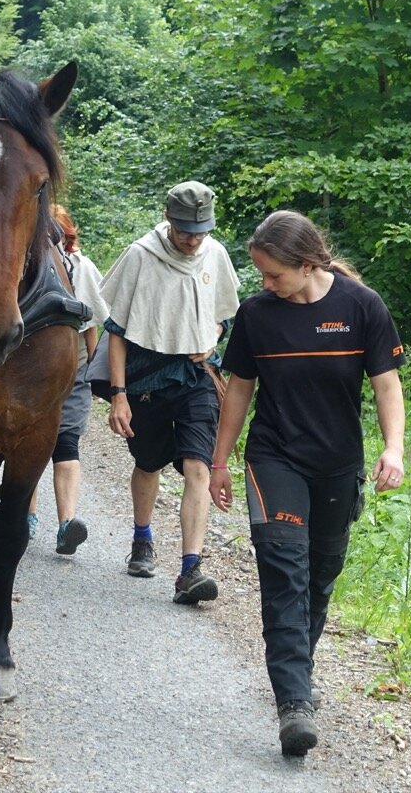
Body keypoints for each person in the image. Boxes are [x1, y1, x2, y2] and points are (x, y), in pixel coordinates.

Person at [208, 210, 406, 757]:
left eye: (274, 275)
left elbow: (387, 387)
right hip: (275, 458)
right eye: (262, 276)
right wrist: (220, 461)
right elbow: (240, 392)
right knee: (283, 568)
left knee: (320, 576)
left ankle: (300, 672)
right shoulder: (257, 315)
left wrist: (394, 447)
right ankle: (293, 702)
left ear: (308, 263)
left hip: (339, 465)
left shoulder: (361, 307)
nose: (265, 285)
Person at [101, 180, 241, 602]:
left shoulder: (214, 253)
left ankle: (190, 569)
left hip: (197, 376)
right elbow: (117, 332)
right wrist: (119, 394)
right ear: (168, 219)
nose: (193, 239)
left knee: (199, 466)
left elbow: (223, 316)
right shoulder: (141, 255)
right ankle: (142, 539)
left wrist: (213, 336)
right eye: (185, 231)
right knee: (149, 462)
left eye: (200, 230)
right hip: (146, 380)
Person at [28, 205, 110, 555]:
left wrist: (92, 370)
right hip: (29, 370)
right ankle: (25, 515)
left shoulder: (82, 268)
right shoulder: (26, 264)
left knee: (66, 443)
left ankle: (65, 523)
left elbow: (91, 324)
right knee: (28, 445)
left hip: (71, 369)